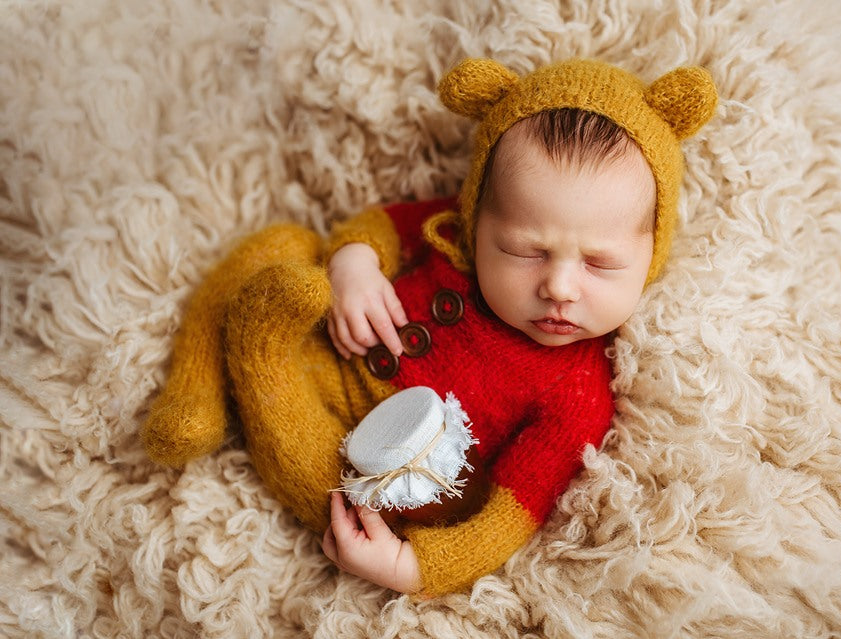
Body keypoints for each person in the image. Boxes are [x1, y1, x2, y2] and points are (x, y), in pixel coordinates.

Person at [141, 58, 718, 600]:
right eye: (523, 251)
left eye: (600, 264)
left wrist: (416, 567)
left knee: (289, 376)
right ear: (476, 218)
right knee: (287, 246)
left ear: (651, 255)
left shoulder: (575, 388)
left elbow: (511, 516)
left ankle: (254, 352)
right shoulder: (450, 231)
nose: (559, 287)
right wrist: (356, 265)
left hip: (369, 478)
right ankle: (195, 393)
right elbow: (381, 226)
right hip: (325, 347)